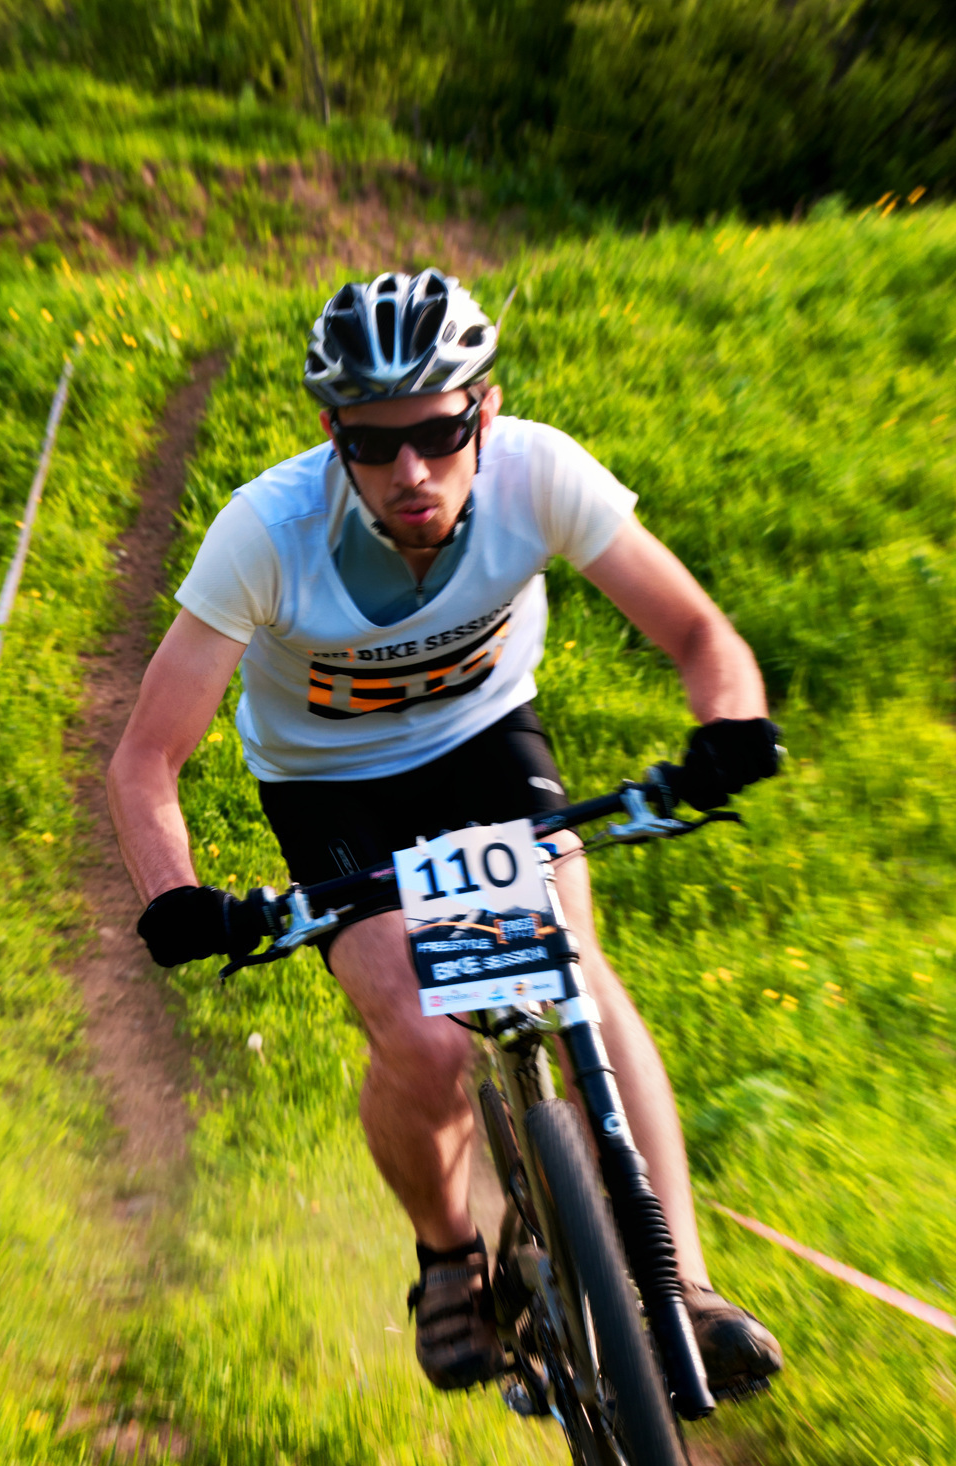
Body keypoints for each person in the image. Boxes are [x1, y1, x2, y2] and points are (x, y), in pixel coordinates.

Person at [107, 269, 783, 1398]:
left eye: (438, 430)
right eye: (375, 444)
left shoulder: (540, 473)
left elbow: (700, 633)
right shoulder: (267, 532)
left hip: (486, 749)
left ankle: (685, 1287)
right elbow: (144, 761)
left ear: (487, 408)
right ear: (334, 435)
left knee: (580, 988)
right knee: (425, 1043)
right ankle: (447, 1255)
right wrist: (175, 894)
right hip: (333, 790)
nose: (410, 470)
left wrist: (730, 726)